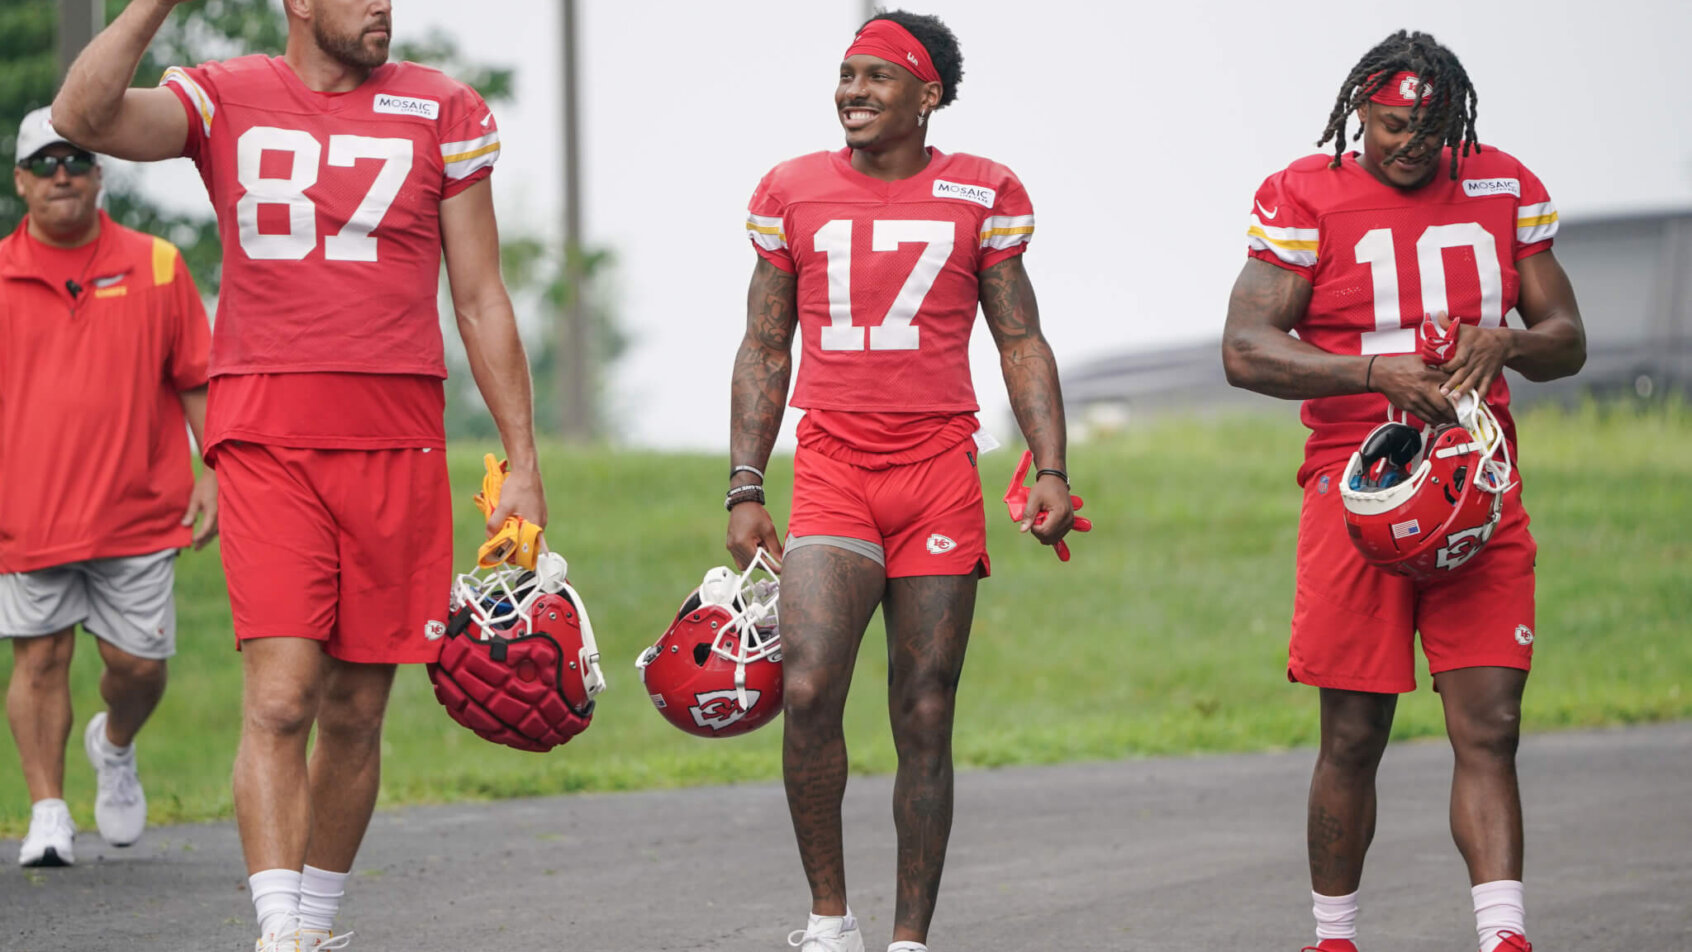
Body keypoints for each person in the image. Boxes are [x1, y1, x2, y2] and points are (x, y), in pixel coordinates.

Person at [52, 0, 546, 947]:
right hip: (267, 428)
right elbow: (84, 116)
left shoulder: (443, 107)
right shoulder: (228, 93)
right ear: (298, 4)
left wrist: (523, 460)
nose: (382, 9)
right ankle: (277, 932)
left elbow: (479, 296)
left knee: (357, 709)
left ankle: (317, 924)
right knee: (282, 696)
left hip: (398, 433)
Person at [1221, 30, 1586, 952]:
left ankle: (1504, 936)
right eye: (1390, 124)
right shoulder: (1304, 193)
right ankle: (1334, 936)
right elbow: (1245, 349)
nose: (1408, 144)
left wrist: (1505, 340)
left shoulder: (1502, 183)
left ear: (1455, 122)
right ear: (1359, 114)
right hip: (1359, 483)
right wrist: (1373, 372)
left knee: (1491, 723)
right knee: (1352, 732)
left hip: (1476, 475)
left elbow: (1569, 337)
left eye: (1428, 127)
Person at [726, 11, 1074, 952]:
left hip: (938, 474)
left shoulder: (983, 190)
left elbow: (1019, 338)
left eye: (879, 78)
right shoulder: (791, 190)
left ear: (929, 96)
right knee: (806, 692)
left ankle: (910, 939)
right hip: (834, 469)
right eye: (846, 75)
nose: (854, 92)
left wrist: (1051, 465)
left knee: (924, 708)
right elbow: (766, 344)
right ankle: (827, 920)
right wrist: (745, 484)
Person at [2, 106, 216, 868]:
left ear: (100, 175)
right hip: (29, 515)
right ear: (22, 182)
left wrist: (213, 469)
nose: (63, 175)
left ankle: (115, 745)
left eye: (77, 162)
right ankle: (48, 812)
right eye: (47, 165)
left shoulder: (157, 264)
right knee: (39, 660)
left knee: (139, 670)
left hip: (140, 513)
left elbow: (197, 379)